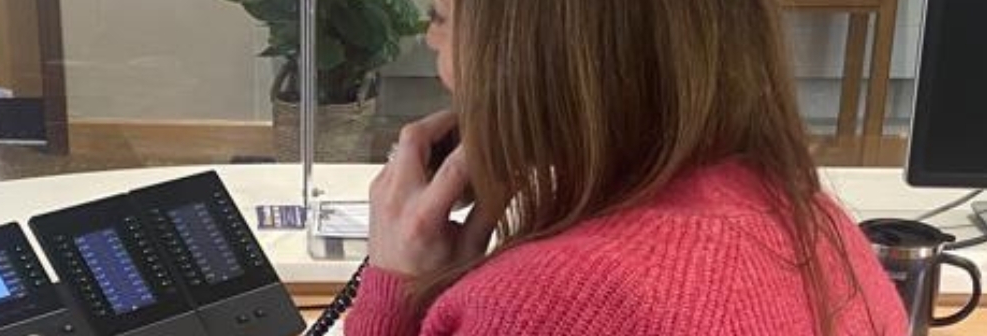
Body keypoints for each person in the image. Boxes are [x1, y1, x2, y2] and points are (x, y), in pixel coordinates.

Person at [350, 0, 909, 335]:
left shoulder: (538, 306)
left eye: (440, 19)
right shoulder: (824, 229)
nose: (429, 40)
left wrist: (398, 290)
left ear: (533, 49)